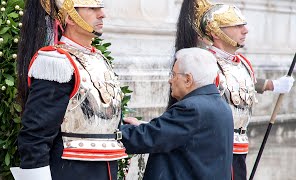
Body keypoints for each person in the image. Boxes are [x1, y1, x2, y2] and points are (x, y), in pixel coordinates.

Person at [170, 0, 295, 179]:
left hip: (240, 145)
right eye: (237, 25)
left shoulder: (243, 62)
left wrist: (273, 85)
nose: (245, 30)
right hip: (214, 149)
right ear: (216, 31)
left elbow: (244, 83)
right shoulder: (204, 64)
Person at [10, 0, 128, 179]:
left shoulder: (100, 59)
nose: (102, 13)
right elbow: (35, 137)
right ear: (70, 17)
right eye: (92, 8)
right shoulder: (57, 63)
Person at [121, 47, 234, 180]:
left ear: (188, 79)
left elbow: (149, 138)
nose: (170, 80)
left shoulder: (191, 108)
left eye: (174, 75)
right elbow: (187, 137)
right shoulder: (221, 106)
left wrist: (107, 132)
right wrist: (142, 125)